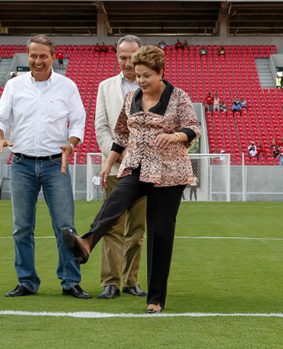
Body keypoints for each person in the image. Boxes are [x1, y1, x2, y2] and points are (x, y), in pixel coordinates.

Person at [62, 45, 201, 314]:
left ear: (161, 72)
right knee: (116, 201)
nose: (141, 81)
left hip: (169, 172)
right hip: (135, 166)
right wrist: (108, 163)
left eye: (147, 75)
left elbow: (194, 127)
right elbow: (122, 135)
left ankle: (156, 298)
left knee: (159, 233)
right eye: (138, 75)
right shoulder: (131, 98)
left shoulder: (178, 97)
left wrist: (175, 136)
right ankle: (87, 242)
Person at [0, 35, 89, 299]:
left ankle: (70, 281)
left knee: (65, 227)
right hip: (21, 164)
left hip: (56, 165)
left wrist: (71, 142)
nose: (37, 60)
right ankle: (27, 281)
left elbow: (79, 121)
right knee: (22, 227)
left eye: (42, 55)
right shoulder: (14, 86)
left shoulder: (67, 86)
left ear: (52, 57)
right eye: (33, 55)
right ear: (28, 56)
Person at [93, 35, 148, 300]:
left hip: (145, 171)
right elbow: (101, 127)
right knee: (112, 227)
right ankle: (110, 282)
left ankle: (131, 280)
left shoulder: (152, 85)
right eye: (122, 57)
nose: (127, 62)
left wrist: (136, 155)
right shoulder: (105, 87)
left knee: (137, 230)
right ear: (117, 57)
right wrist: (117, 155)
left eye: (131, 57)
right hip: (115, 170)